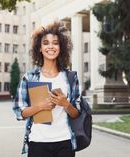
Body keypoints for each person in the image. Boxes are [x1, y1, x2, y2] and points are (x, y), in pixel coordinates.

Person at [13, 21, 81, 157]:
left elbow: (76, 114)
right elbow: (19, 112)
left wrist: (65, 103)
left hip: (65, 142)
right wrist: (40, 106)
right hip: (38, 142)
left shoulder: (70, 77)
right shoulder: (30, 77)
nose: (51, 46)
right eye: (46, 43)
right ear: (39, 48)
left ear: (61, 47)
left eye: (55, 43)